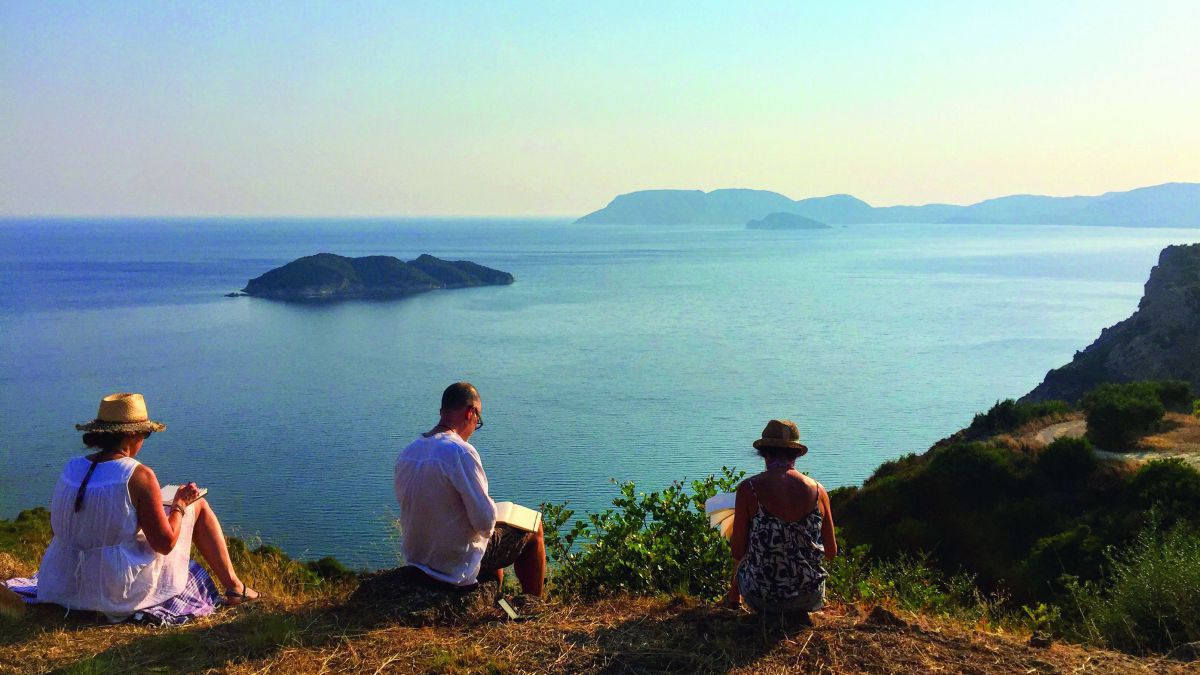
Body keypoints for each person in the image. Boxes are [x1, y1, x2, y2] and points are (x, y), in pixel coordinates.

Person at [7, 393, 258, 623]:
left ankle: (235, 586)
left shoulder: (72, 467)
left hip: (62, 582)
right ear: (131, 434)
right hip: (113, 591)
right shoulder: (138, 475)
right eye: (145, 434)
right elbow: (165, 543)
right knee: (198, 505)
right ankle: (235, 587)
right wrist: (180, 504)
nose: (144, 441)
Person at [394, 382, 545, 595]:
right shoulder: (460, 452)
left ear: (442, 412)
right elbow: (485, 523)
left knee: (490, 545)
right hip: (451, 564)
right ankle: (534, 605)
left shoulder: (409, 451)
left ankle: (491, 595)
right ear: (470, 412)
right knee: (534, 529)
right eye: (478, 420)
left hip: (418, 558)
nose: (476, 426)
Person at [723, 419, 837, 614]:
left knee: (745, 547)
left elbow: (737, 551)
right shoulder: (819, 491)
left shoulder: (749, 489)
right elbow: (831, 552)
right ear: (796, 454)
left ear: (764, 452)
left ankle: (733, 600)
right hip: (809, 597)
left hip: (762, 598)